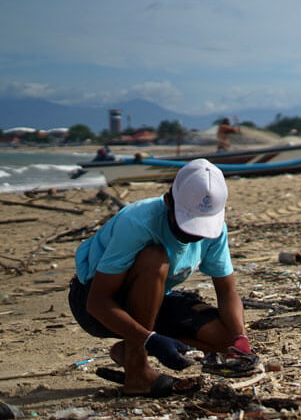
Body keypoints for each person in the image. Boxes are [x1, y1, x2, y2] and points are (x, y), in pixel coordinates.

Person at [68, 159, 253, 397]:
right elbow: (98, 302)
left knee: (226, 339)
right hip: (96, 303)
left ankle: (127, 350)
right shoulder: (137, 222)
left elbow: (227, 292)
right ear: (168, 202)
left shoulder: (216, 229)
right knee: (156, 258)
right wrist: (149, 340)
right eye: (187, 226)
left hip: (154, 298)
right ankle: (137, 373)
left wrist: (240, 339)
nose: (194, 235)